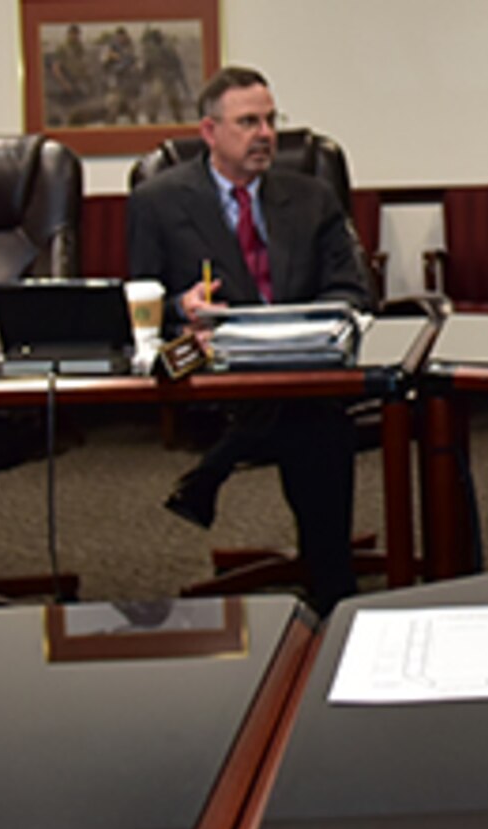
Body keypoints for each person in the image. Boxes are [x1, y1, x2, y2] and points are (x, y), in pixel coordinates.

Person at [128, 65, 373, 614]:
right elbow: (142, 300)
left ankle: (214, 471)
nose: (265, 134)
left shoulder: (312, 197)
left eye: (270, 120)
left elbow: (352, 289)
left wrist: (314, 327)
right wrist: (180, 308)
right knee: (315, 423)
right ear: (210, 132)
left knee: (309, 411)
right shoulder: (159, 201)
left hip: (305, 365)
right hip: (217, 370)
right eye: (247, 122)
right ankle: (334, 587)